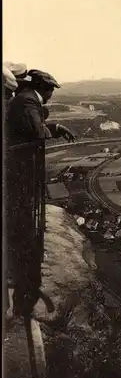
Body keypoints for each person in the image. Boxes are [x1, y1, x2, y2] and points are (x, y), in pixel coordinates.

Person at [5, 69, 75, 317]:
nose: (52, 95)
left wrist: (53, 127)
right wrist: (49, 130)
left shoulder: (27, 99)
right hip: (20, 175)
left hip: (20, 173)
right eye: (51, 90)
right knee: (25, 230)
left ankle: (25, 289)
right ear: (43, 88)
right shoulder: (28, 100)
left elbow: (36, 127)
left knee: (25, 228)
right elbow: (35, 132)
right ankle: (25, 296)